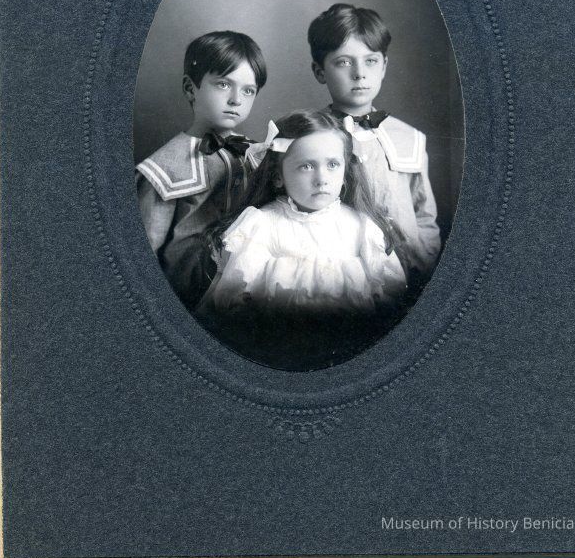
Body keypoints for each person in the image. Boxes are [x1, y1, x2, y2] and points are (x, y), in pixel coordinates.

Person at [195, 110, 408, 369]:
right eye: (306, 166)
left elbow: (392, 299)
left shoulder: (361, 227)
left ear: (345, 170)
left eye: (332, 164)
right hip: (276, 352)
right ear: (278, 176)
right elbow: (230, 301)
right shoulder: (262, 225)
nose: (321, 179)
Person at [307, 3, 441, 279]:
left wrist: (423, 270)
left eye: (370, 61)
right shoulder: (307, 138)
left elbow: (424, 216)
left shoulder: (409, 138)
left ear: (383, 67)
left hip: (407, 275)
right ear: (319, 71)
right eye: (344, 62)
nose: (359, 73)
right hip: (338, 281)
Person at [135, 30, 267, 309]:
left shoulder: (256, 154)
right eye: (223, 84)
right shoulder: (163, 168)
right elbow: (143, 256)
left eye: (248, 90)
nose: (236, 99)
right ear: (190, 88)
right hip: (187, 300)